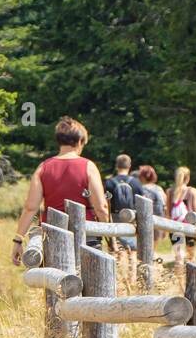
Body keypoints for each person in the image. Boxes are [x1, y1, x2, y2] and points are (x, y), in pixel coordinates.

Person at [11, 116, 110, 265]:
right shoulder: (88, 166)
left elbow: (30, 207)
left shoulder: (43, 167)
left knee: (55, 284)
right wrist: (108, 233)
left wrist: (18, 240)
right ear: (80, 141)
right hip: (86, 235)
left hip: (52, 235)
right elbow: (101, 207)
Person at [104, 154, 147, 284]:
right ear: (129, 166)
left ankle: (119, 280)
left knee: (117, 250)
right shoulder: (135, 182)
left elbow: (105, 202)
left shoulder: (110, 182)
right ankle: (132, 280)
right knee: (132, 252)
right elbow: (143, 202)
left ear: (117, 166)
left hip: (115, 218)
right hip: (131, 219)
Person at [166, 165, 196, 269]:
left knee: (178, 256)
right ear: (188, 178)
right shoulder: (192, 191)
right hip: (190, 227)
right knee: (191, 256)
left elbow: (168, 212)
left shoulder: (170, 191)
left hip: (175, 227)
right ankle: (191, 278)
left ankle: (179, 282)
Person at [138, 165, 168, 243]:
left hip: (142, 221)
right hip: (158, 220)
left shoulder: (140, 189)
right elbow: (164, 206)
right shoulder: (159, 189)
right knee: (153, 245)